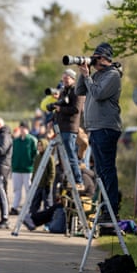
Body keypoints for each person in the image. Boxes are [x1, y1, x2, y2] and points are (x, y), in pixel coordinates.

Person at [75, 42, 123, 222]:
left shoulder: (113, 75)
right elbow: (80, 90)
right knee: (101, 172)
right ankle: (106, 210)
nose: (94, 61)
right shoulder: (97, 75)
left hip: (106, 128)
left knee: (107, 170)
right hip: (95, 128)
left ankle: (111, 211)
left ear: (105, 59)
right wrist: (83, 73)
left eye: (97, 58)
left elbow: (98, 94)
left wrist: (88, 76)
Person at [49, 69, 85, 191]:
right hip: (61, 127)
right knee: (63, 157)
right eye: (63, 79)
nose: (64, 81)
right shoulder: (64, 91)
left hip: (70, 128)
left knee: (70, 156)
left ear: (73, 79)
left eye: (67, 79)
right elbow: (62, 106)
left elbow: (76, 109)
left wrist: (60, 109)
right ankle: (70, 180)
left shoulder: (78, 91)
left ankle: (78, 181)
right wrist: (53, 116)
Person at [10, 121, 37, 215]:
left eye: (24, 128)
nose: (22, 130)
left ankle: (29, 208)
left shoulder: (32, 140)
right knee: (16, 189)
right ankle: (14, 206)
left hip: (28, 169)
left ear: (27, 129)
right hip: (16, 168)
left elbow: (35, 154)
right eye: (21, 128)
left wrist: (33, 165)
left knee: (28, 189)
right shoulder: (16, 141)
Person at [29, 138, 55, 215]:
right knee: (34, 204)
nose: (39, 147)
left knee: (47, 205)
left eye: (41, 145)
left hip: (45, 185)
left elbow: (52, 172)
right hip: (37, 185)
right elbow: (35, 170)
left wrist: (49, 183)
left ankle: (48, 224)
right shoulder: (37, 157)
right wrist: (33, 181)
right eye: (38, 145)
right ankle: (33, 220)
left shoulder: (50, 157)